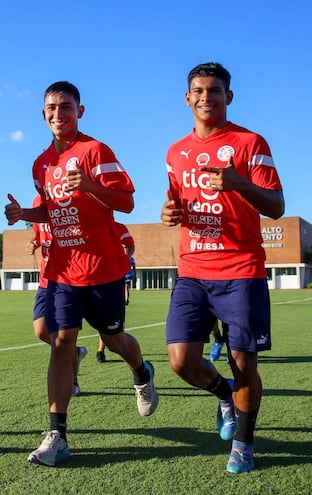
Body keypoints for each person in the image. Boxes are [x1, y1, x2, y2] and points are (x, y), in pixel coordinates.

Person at [5, 81, 158, 467]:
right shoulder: (41, 163)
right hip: (62, 270)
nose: (59, 114)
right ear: (43, 114)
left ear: (80, 110)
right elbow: (52, 211)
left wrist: (90, 185)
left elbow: (126, 201)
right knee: (61, 341)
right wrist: (26, 215)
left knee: (115, 337)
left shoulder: (95, 151)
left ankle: (141, 372)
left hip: (103, 267)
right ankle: (57, 434)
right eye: (52, 108)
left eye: (67, 106)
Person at [161, 62, 284, 474]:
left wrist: (240, 184)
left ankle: (244, 445)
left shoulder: (250, 143)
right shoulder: (175, 151)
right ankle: (223, 394)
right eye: (198, 90)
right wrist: (169, 212)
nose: (205, 97)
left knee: (244, 362)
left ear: (228, 96)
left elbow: (277, 206)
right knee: (180, 361)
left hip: (241, 270)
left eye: (214, 90)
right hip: (193, 269)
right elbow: (175, 200)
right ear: (187, 97)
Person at [26, 195, 88, 396]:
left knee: (64, 338)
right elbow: (38, 232)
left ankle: (73, 381)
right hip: (45, 279)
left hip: (69, 279)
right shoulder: (37, 201)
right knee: (40, 331)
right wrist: (34, 243)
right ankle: (75, 352)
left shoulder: (72, 197)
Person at [96, 221, 135, 363]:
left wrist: (123, 258)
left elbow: (130, 245)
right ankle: (99, 351)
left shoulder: (119, 227)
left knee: (114, 333)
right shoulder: (86, 225)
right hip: (91, 282)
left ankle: (139, 370)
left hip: (113, 282)